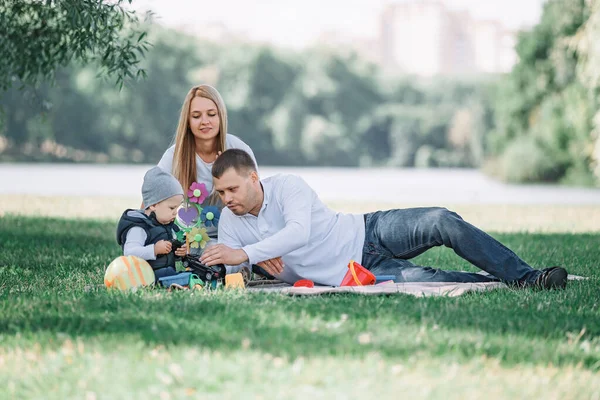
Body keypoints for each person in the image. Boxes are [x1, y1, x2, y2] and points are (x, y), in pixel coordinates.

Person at [199, 149, 568, 290]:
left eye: (232, 190)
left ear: (252, 178)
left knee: (441, 219)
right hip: (356, 270)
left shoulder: (287, 187)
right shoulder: (231, 223)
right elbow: (233, 273)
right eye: (221, 193)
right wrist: (253, 263)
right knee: (435, 281)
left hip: (367, 228)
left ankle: (528, 275)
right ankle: (511, 282)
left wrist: (247, 252)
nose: (226, 200)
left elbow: (297, 233)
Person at [155, 84, 258, 241]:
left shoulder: (238, 149)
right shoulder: (173, 156)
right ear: (188, 121)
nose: (205, 121)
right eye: (196, 116)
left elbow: (256, 201)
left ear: (220, 116)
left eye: (211, 114)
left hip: (233, 238)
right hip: (186, 241)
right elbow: (151, 204)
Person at [117, 166, 187, 281]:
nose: (175, 213)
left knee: (190, 277)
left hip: (166, 273)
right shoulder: (139, 227)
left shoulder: (167, 224)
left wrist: (180, 252)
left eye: (177, 208)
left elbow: (167, 255)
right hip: (144, 277)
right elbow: (129, 253)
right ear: (153, 205)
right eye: (172, 208)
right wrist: (154, 250)